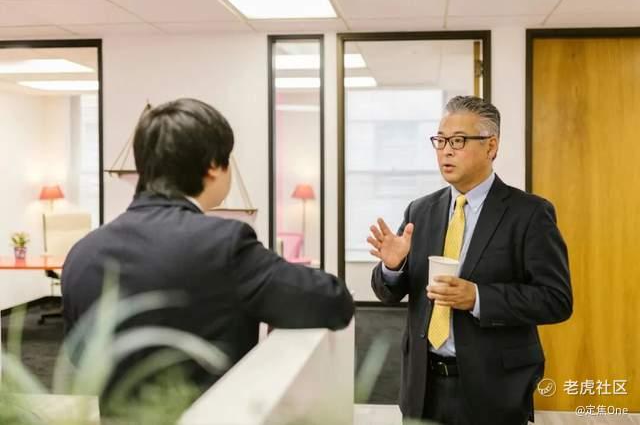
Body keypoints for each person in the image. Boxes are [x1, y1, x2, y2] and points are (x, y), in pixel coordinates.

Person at [62, 98, 354, 404]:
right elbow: (332, 301)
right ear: (214, 166)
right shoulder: (224, 244)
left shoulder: (82, 253)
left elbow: (78, 355)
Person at [368, 96, 572, 425]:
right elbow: (390, 293)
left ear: (491, 146)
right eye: (440, 140)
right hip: (422, 388)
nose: (446, 151)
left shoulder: (530, 213)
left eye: (458, 141)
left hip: (494, 390)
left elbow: (556, 300)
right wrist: (393, 267)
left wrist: (478, 297)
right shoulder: (420, 211)